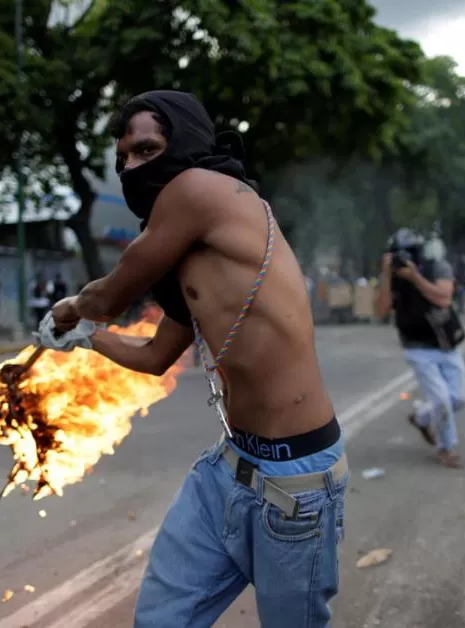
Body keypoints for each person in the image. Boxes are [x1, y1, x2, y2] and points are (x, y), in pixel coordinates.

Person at [37, 90, 346, 628]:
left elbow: (107, 299)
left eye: (146, 149)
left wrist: (69, 313)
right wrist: (84, 341)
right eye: (123, 160)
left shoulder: (198, 188)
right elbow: (157, 354)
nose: (132, 168)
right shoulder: (192, 254)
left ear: (186, 143)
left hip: (296, 482)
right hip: (228, 470)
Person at [375, 228, 465, 469]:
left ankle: (420, 417)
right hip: (416, 346)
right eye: (398, 255)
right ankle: (445, 448)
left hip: (446, 343)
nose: (404, 259)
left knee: (458, 398)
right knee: (442, 400)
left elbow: (443, 299)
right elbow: (381, 311)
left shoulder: (437, 267)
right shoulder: (391, 276)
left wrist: (415, 277)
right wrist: (386, 275)